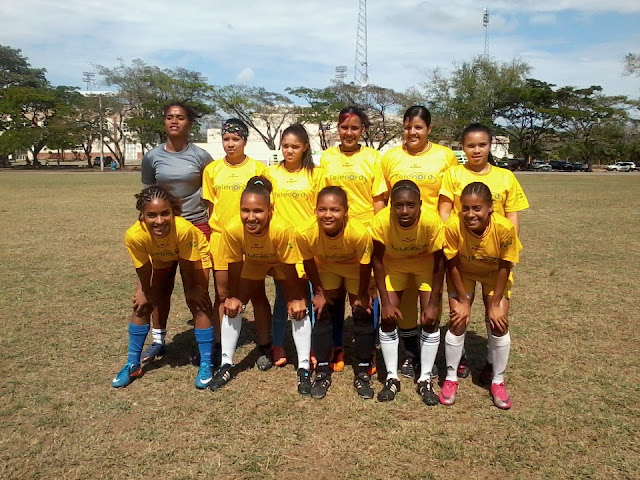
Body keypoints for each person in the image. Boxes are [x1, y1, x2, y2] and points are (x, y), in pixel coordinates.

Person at [438, 123, 529, 377]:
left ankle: (492, 362)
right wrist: (452, 240)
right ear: (463, 147)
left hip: (493, 256)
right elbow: (445, 210)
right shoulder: (453, 174)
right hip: (463, 257)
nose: (476, 150)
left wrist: (507, 249)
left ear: (490, 146)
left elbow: (512, 214)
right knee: (458, 313)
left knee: (496, 313)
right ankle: (461, 359)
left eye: (482, 145)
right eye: (470, 145)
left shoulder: (505, 176)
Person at [210, 177, 312, 395]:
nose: (251, 217)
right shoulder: (233, 229)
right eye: (245, 210)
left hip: (280, 265)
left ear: (270, 209)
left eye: (258, 211)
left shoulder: (282, 229)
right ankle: (226, 364)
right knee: (232, 305)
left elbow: (289, 267)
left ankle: (304, 367)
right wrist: (234, 296)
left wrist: (296, 298)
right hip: (254, 263)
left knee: (297, 308)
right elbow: (236, 265)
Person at [380, 106, 458, 380]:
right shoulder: (390, 158)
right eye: (407, 127)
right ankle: (411, 356)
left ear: (429, 129)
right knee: (405, 302)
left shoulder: (445, 157)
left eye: (418, 127)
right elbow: (381, 198)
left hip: (430, 242)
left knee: (430, 301)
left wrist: (442, 234)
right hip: (398, 244)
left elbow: (450, 198)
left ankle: (431, 361)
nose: (411, 132)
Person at [112, 186, 214, 389]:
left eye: (165, 213)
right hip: (159, 255)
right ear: (142, 215)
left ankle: (207, 363)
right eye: (152, 215)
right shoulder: (135, 235)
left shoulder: (184, 229)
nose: (159, 221)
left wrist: (193, 289)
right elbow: (143, 268)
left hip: (192, 253)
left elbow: (187, 265)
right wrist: (144, 292)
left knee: (198, 301)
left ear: (173, 212)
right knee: (142, 303)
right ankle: (133, 363)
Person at [139, 102, 213, 364]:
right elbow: (147, 197)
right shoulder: (152, 157)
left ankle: (203, 344)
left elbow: (212, 193)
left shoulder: (202, 156)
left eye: (180, 117)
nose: (174, 121)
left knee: (198, 288)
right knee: (160, 287)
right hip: (162, 230)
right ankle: (158, 341)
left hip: (195, 227)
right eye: (169, 117)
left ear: (188, 123)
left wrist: (211, 225)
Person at [439, 182, 521, 409]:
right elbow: (452, 263)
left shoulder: (504, 228)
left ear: (490, 208)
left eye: (477, 208)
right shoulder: (454, 226)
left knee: (499, 323)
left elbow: (506, 264)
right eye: (465, 208)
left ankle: (497, 381)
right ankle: (451, 378)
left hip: (494, 275)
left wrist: (495, 303)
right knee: (458, 319)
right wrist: (463, 302)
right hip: (463, 272)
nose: (470, 214)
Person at [319, 106, 387, 371]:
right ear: (338, 128)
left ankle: (367, 351)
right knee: (333, 296)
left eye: (354, 128)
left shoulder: (373, 157)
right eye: (344, 127)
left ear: (363, 131)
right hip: (333, 236)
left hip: (364, 236)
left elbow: (379, 199)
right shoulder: (326, 158)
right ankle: (337, 347)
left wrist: (376, 234)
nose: (349, 132)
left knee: (364, 299)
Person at [370, 180, 445, 404]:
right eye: (398, 205)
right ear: (391, 205)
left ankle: (425, 379)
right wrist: (386, 302)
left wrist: (433, 303)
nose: (404, 211)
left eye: (410, 205)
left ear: (420, 204)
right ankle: (392, 377)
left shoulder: (432, 221)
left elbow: (440, 264)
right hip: (394, 266)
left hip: (425, 267)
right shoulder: (381, 221)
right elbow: (377, 260)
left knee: (431, 321)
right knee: (388, 319)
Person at [297, 186, 375, 399]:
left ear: (346, 211)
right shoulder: (305, 232)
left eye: (335, 210)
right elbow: (308, 262)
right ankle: (322, 369)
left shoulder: (359, 232)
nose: (328, 215)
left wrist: (361, 295)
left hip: (355, 269)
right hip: (327, 267)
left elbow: (365, 265)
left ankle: (363, 369)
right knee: (323, 312)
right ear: (315, 210)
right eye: (322, 209)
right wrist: (319, 292)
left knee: (362, 312)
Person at [201, 118, 266, 366]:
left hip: (251, 238)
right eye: (226, 139)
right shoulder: (212, 170)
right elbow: (211, 208)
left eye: (236, 139)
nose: (230, 144)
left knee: (257, 293)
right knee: (222, 293)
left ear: (245, 141)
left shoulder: (258, 169)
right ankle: (220, 344)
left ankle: (264, 345)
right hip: (221, 238)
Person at [265, 124, 324, 368]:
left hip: (308, 246)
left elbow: (322, 211)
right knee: (283, 298)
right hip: (282, 247)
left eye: (295, 146)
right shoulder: (270, 174)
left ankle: (310, 347)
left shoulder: (316, 175)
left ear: (305, 147)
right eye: (286, 146)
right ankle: (277, 343)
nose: (289, 151)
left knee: (310, 297)